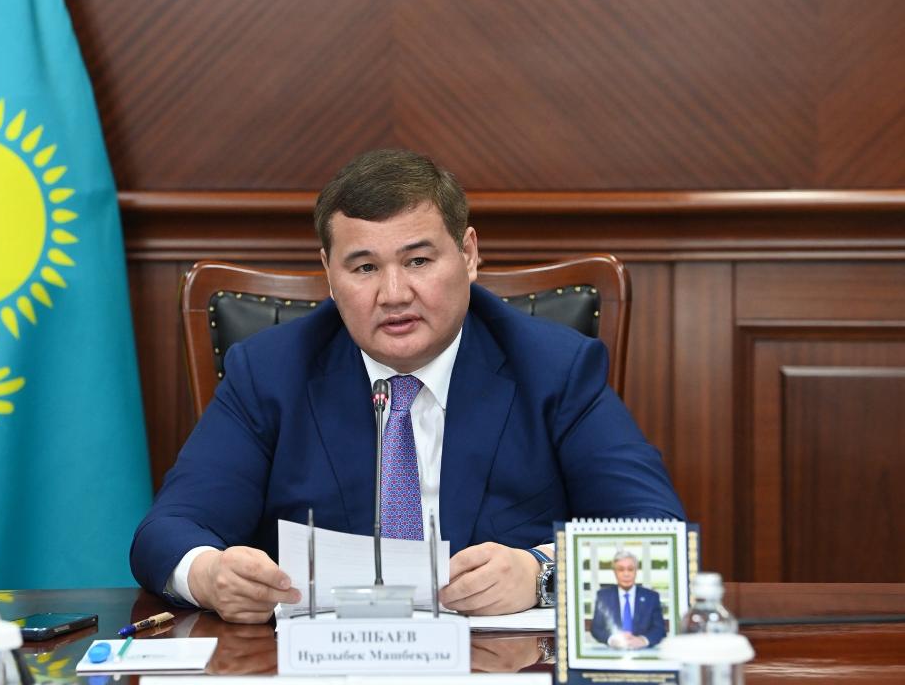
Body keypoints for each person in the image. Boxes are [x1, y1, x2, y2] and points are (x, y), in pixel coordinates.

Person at [130, 149, 685, 623]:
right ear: (329, 273)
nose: (394, 294)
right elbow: (167, 530)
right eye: (364, 268)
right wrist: (208, 574)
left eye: (418, 260)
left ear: (468, 254)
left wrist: (542, 573)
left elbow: (660, 535)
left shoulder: (554, 368)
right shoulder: (270, 371)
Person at [590, 550, 667, 649]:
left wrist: (643, 640)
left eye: (630, 569)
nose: (626, 574)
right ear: (614, 572)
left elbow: (659, 629)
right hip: (613, 652)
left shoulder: (651, 597)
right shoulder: (604, 596)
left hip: (643, 652)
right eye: (621, 570)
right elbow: (596, 628)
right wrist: (612, 639)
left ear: (636, 571)